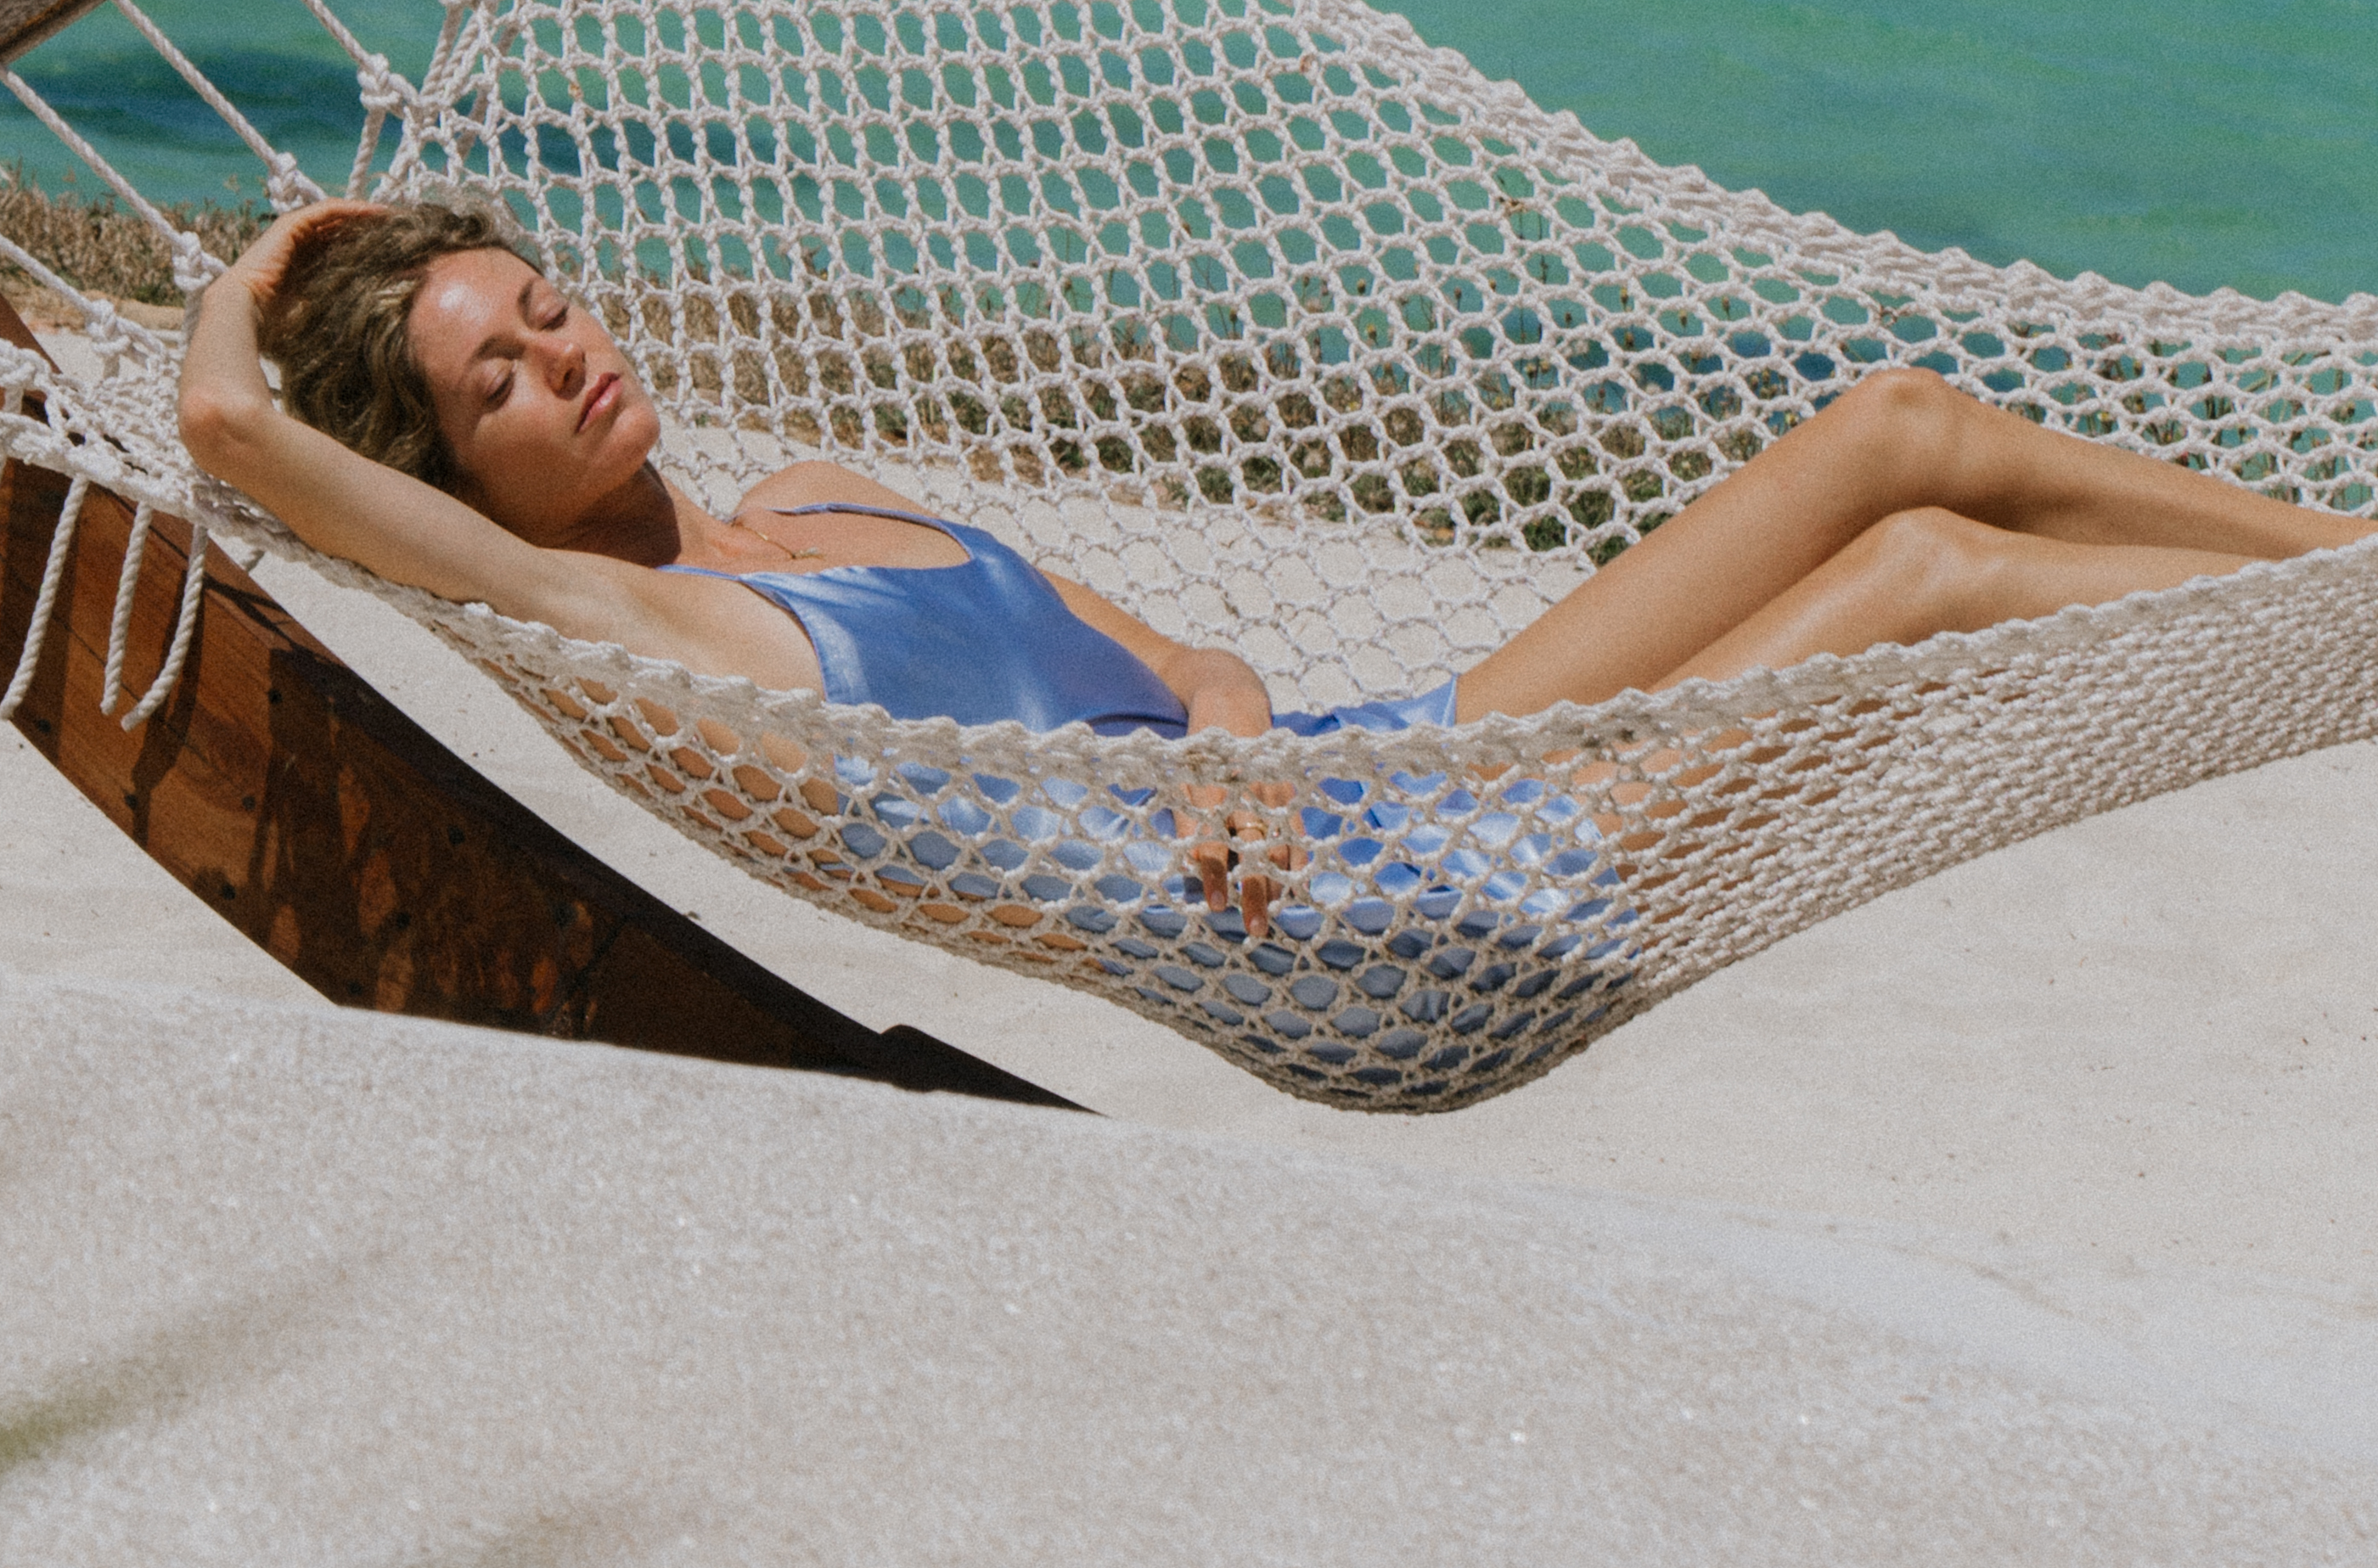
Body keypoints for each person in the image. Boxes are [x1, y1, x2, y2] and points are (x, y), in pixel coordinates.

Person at [177, 198, 2369, 936]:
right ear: (454, 481)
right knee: (1929, 582)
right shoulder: (648, 631)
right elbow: (226, 431)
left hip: (1345, 782)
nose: (564, 357)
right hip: (1358, 928)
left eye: (539, 307)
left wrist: (1229, 749)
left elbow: (1197, 658)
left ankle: (2350, 567)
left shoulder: (839, 494)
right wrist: (263, 281)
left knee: (1905, 436)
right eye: (494, 385)